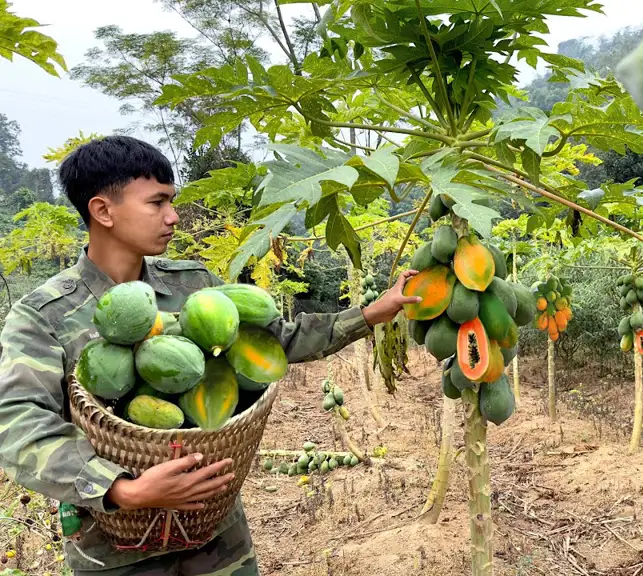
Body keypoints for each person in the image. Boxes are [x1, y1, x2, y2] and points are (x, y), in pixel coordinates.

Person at [0, 135, 420, 575]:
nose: (173, 217)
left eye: (172, 202)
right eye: (157, 203)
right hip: (115, 550)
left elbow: (277, 341)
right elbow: (17, 424)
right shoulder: (44, 314)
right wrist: (123, 489)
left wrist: (372, 313)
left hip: (216, 537)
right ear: (102, 211)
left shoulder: (194, 285)